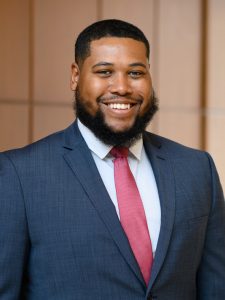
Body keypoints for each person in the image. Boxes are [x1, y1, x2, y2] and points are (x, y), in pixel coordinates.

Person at [0, 19, 225, 300]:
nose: (121, 87)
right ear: (75, 76)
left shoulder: (196, 169)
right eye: (105, 71)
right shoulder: (18, 174)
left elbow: (216, 288)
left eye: (135, 72)